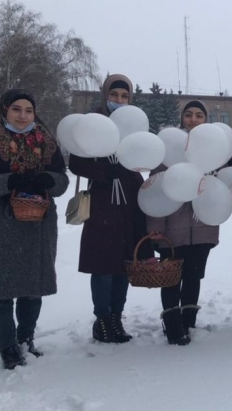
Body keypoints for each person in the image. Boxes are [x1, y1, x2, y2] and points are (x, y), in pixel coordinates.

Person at [70, 74, 150, 344]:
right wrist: (105, 171)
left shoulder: (135, 126)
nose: (119, 100)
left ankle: (117, 315)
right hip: (103, 203)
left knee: (124, 264)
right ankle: (102, 319)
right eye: (114, 95)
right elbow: (76, 163)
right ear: (105, 96)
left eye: (124, 96)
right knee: (103, 264)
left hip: (129, 201)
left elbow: (144, 154)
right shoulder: (93, 124)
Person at [0, 89, 69, 369]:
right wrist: (9, 181)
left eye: (28, 110)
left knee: (32, 287)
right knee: (0, 291)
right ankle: (7, 346)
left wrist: (48, 179)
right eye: (16, 109)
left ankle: (26, 338)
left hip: (38, 224)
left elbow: (62, 180)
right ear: (4, 110)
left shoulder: (46, 141)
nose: (23, 115)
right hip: (0, 226)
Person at [147, 100, 218, 345]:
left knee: (193, 276)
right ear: (182, 119)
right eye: (189, 115)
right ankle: (173, 324)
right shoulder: (168, 149)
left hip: (202, 228)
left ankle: (189, 320)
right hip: (171, 229)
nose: (194, 119)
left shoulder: (214, 151)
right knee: (170, 278)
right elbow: (155, 190)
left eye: (199, 115)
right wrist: (155, 225)